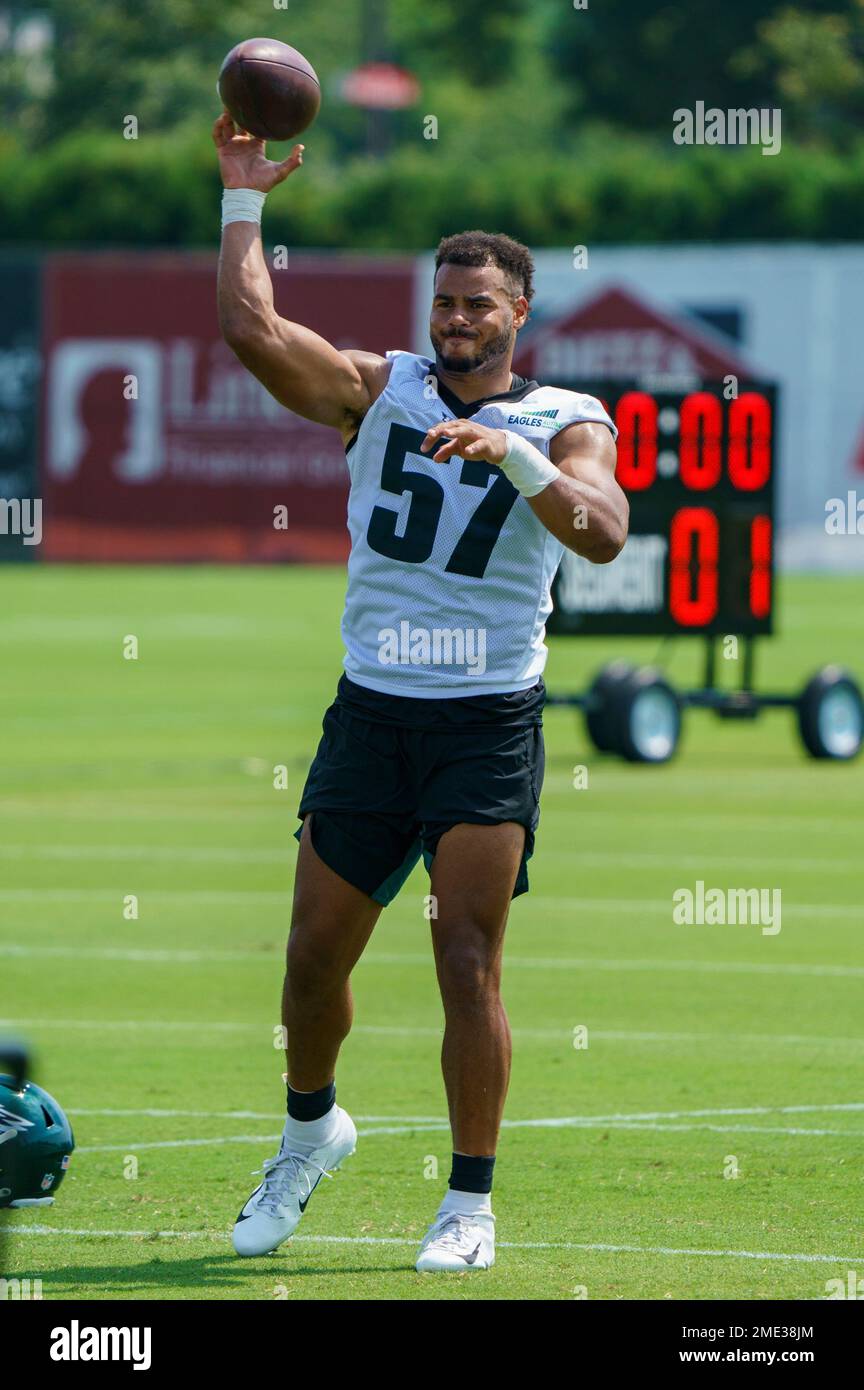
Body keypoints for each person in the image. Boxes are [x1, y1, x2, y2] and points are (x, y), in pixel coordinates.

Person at [213, 113, 628, 1272]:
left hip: (487, 719)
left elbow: (601, 535)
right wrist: (245, 197)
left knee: (466, 958)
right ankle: (309, 1133)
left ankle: (469, 1202)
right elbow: (251, 328)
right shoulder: (377, 391)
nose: (455, 321)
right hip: (373, 711)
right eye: (444, 302)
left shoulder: (563, 419)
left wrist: (516, 455)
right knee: (308, 960)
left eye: (477, 304)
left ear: (518, 316)